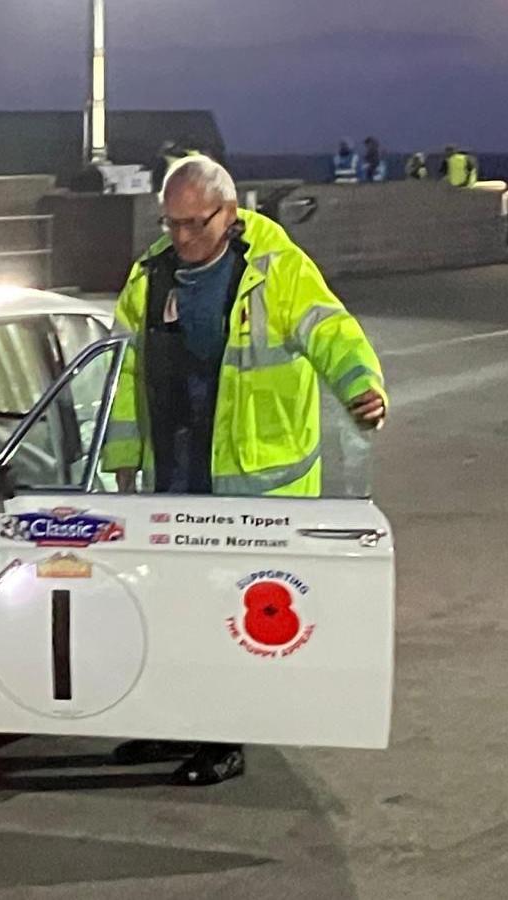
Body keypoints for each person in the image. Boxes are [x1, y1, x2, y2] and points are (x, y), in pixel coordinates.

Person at [100, 155, 388, 786]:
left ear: (229, 215)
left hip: (256, 484)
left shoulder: (276, 269)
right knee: (171, 605)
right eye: (170, 223)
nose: (180, 237)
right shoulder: (150, 275)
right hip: (175, 473)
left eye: (193, 224)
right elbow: (120, 373)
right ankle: (171, 724)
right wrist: (123, 458)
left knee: (233, 615)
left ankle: (225, 738)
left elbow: (332, 331)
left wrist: (362, 385)